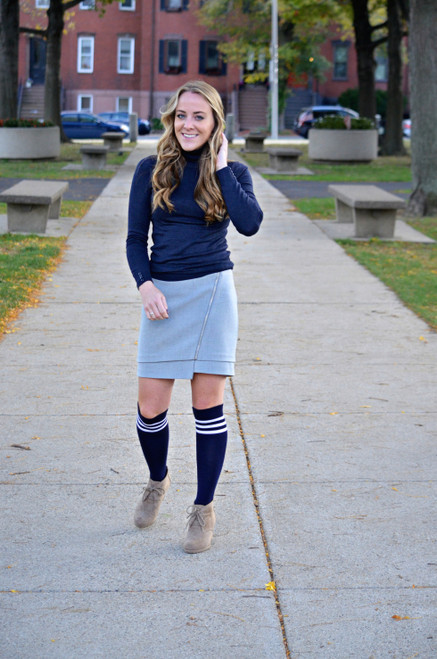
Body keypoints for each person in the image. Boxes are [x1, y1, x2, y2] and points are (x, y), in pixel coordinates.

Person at [126, 80, 263, 553]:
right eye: (181, 115)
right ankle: (157, 479)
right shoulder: (150, 169)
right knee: (150, 409)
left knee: (208, 406)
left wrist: (222, 165)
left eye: (199, 117)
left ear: (215, 124)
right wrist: (145, 285)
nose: (188, 124)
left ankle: (203, 508)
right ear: (171, 119)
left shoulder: (234, 172)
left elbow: (249, 224)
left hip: (212, 294)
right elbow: (133, 239)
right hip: (162, 294)